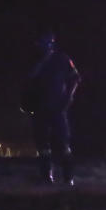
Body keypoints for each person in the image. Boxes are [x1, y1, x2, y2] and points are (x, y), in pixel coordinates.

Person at [21, 30, 81, 185]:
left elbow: (75, 78)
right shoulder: (33, 60)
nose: (43, 45)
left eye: (46, 42)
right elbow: (27, 81)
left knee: (63, 143)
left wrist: (68, 97)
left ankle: (68, 178)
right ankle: (46, 177)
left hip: (58, 107)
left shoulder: (62, 59)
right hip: (39, 108)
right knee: (42, 144)